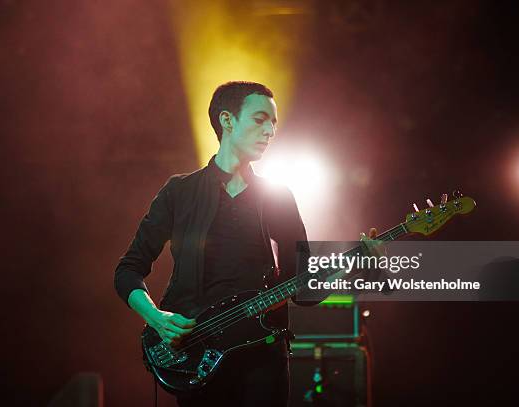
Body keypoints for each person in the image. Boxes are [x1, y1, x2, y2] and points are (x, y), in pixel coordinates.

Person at [114, 81, 380, 406]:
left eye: (274, 123)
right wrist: (157, 317)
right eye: (259, 119)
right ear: (227, 120)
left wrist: (353, 265)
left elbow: (303, 284)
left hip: (262, 353)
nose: (270, 131)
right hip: (195, 351)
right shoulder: (179, 192)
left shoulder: (278, 198)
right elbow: (128, 269)